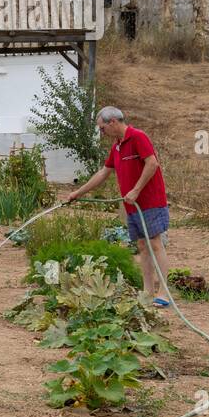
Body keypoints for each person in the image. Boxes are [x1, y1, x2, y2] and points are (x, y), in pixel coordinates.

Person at [63, 107, 171, 306]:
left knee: (155, 243)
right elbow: (103, 173)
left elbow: (152, 164)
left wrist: (137, 190)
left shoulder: (138, 137)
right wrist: (78, 193)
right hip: (132, 205)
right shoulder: (117, 146)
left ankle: (164, 294)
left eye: (102, 128)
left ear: (113, 121)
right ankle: (147, 292)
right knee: (142, 246)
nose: (102, 133)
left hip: (150, 202)